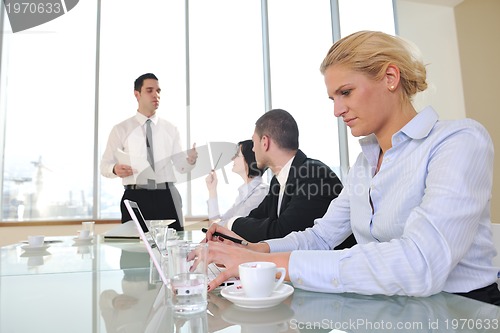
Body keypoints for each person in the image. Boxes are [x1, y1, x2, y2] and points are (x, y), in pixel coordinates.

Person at [205, 31, 500, 305]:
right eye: (333, 98)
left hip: (464, 310)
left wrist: (272, 263)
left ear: (390, 77)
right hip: (392, 308)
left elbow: (420, 263)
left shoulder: (458, 142)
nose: (337, 110)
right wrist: (254, 251)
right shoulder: (364, 164)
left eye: (346, 92)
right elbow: (320, 237)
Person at [221, 109, 356, 246]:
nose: (253, 149)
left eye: (254, 142)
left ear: (264, 142)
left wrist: (230, 224)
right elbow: (256, 217)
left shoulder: (313, 174)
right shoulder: (277, 181)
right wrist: (224, 233)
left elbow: (282, 233)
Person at [100, 73, 197, 230]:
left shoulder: (171, 129)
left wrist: (190, 161)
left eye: (158, 91)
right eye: (150, 90)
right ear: (137, 94)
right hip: (135, 197)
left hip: (167, 196)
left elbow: (181, 166)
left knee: (172, 247)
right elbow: (104, 165)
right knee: (133, 250)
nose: (156, 95)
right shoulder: (121, 129)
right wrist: (114, 169)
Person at [205, 140, 268, 226]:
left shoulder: (261, 192)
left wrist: (215, 224)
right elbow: (219, 221)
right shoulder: (245, 192)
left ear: (248, 159)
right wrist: (212, 190)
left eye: (237, 155)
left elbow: (231, 225)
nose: (232, 159)